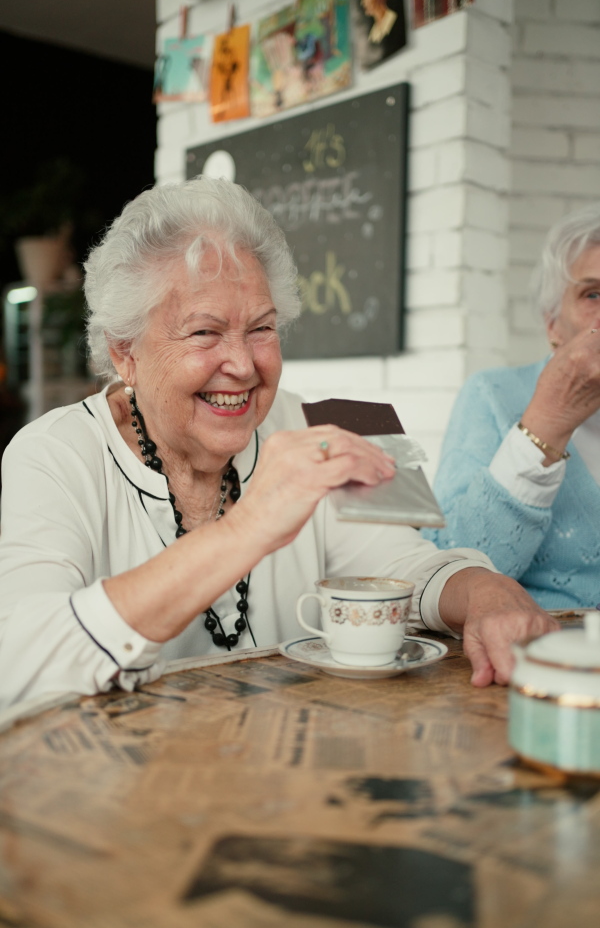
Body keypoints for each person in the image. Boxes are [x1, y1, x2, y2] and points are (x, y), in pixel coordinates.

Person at [0, 178, 556, 709]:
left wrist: (486, 591)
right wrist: (247, 528)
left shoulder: (336, 420)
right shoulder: (51, 453)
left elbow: (411, 568)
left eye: (262, 329)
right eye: (204, 332)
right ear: (125, 353)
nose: (243, 365)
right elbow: (23, 659)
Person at [424, 204, 600, 609]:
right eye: (593, 293)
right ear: (553, 324)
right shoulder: (492, 394)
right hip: (537, 663)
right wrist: (549, 420)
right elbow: (445, 570)